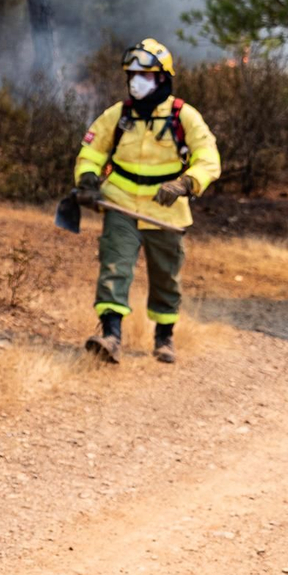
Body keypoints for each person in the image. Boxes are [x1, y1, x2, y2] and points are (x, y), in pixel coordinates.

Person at [74, 38, 221, 363]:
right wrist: (87, 180)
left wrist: (186, 183)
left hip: (166, 210)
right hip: (121, 203)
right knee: (114, 267)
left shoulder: (184, 116)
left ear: (162, 79)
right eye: (132, 75)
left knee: (166, 274)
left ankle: (164, 337)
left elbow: (208, 157)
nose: (136, 81)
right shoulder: (119, 114)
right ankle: (110, 336)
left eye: (145, 75)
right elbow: (92, 150)